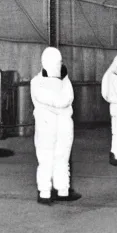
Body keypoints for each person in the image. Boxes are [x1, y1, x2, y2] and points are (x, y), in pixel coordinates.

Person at [30, 47, 81, 205]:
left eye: (60, 62)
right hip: (47, 125)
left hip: (63, 125)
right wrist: (60, 107)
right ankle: (45, 192)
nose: (59, 65)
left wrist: (57, 106)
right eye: (56, 62)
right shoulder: (36, 82)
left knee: (63, 157)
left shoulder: (65, 81)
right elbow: (59, 101)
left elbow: (67, 99)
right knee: (45, 158)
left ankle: (62, 190)